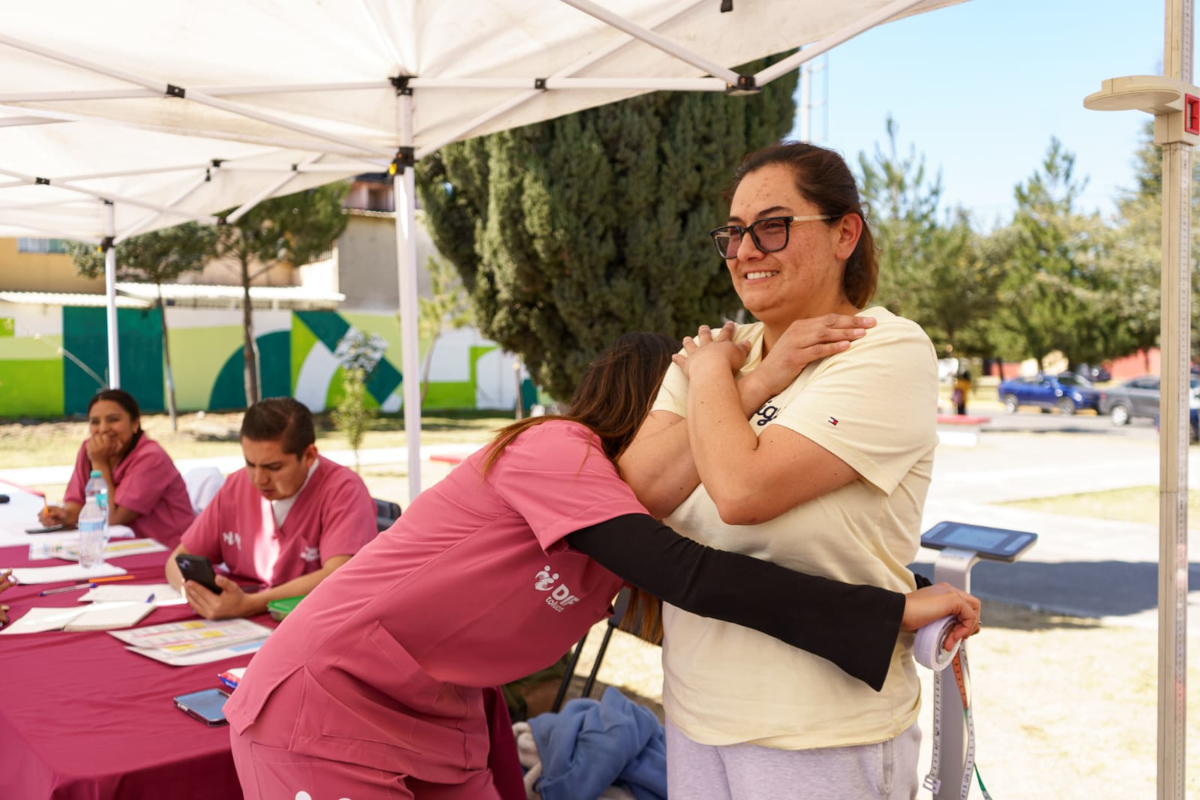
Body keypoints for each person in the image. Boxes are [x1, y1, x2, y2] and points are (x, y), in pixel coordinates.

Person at [224, 332, 980, 800]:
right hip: (324, 707)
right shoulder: (553, 452)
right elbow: (693, 576)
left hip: (434, 719)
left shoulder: (627, 517)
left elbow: (748, 568)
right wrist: (885, 614)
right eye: (698, 412)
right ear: (648, 410)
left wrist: (902, 590)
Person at [619, 141, 946, 799]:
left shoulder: (884, 348)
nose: (745, 251)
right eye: (734, 233)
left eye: (772, 227)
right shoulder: (718, 355)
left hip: (821, 732)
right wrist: (753, 378)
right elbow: (637, 492)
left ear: (845, 234)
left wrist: (713, 380)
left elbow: (742, 491)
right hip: (695, 713)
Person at [165, 397, 376, 620]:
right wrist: (196, 595)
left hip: (313, 625)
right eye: (250, 464)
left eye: (273, 467)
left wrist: (249, 604)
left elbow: (338, 575)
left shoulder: (344, 490)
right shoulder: (237, 485)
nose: (259, 480)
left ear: (309, 456)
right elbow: (179, 559)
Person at [40, 389, 194, 548]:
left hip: (170, 551)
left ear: (135, 423)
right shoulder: (89, 449)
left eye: (113, 420)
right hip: (120, 547)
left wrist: (100, 463)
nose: (103, 429)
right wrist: (64, 515)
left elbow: (111, 518)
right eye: (95, 422)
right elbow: (78, 502)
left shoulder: (152, 457)